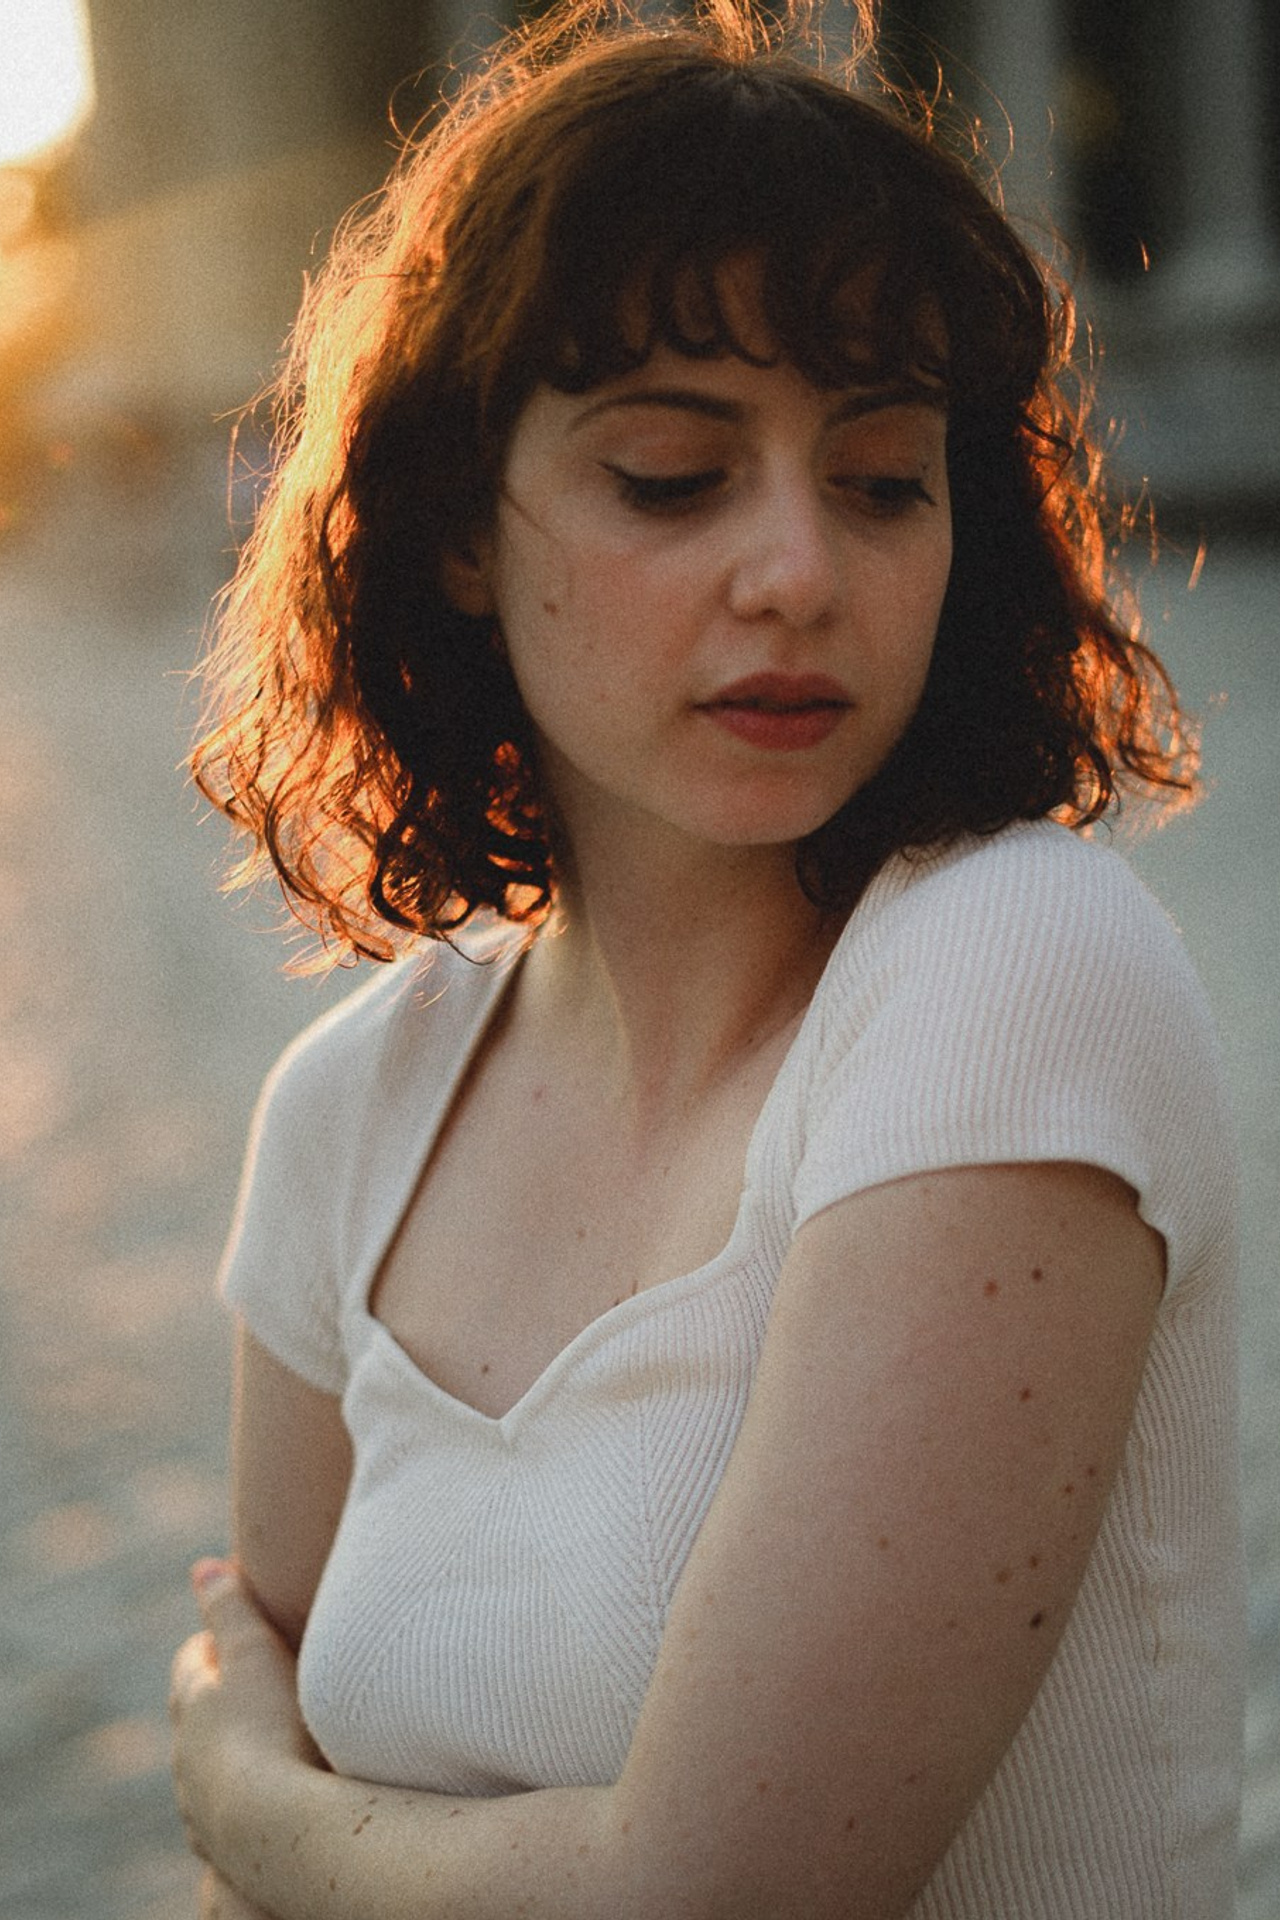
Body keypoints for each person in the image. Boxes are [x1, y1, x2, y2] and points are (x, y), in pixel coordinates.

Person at [167, 1, 1245, 1913]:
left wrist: (250, 1809)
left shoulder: (1012, 971)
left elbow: (724, 1889)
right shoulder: (349, 1110)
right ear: (457, 537)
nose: (799, 572)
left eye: (881, 478)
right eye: (671, 476)